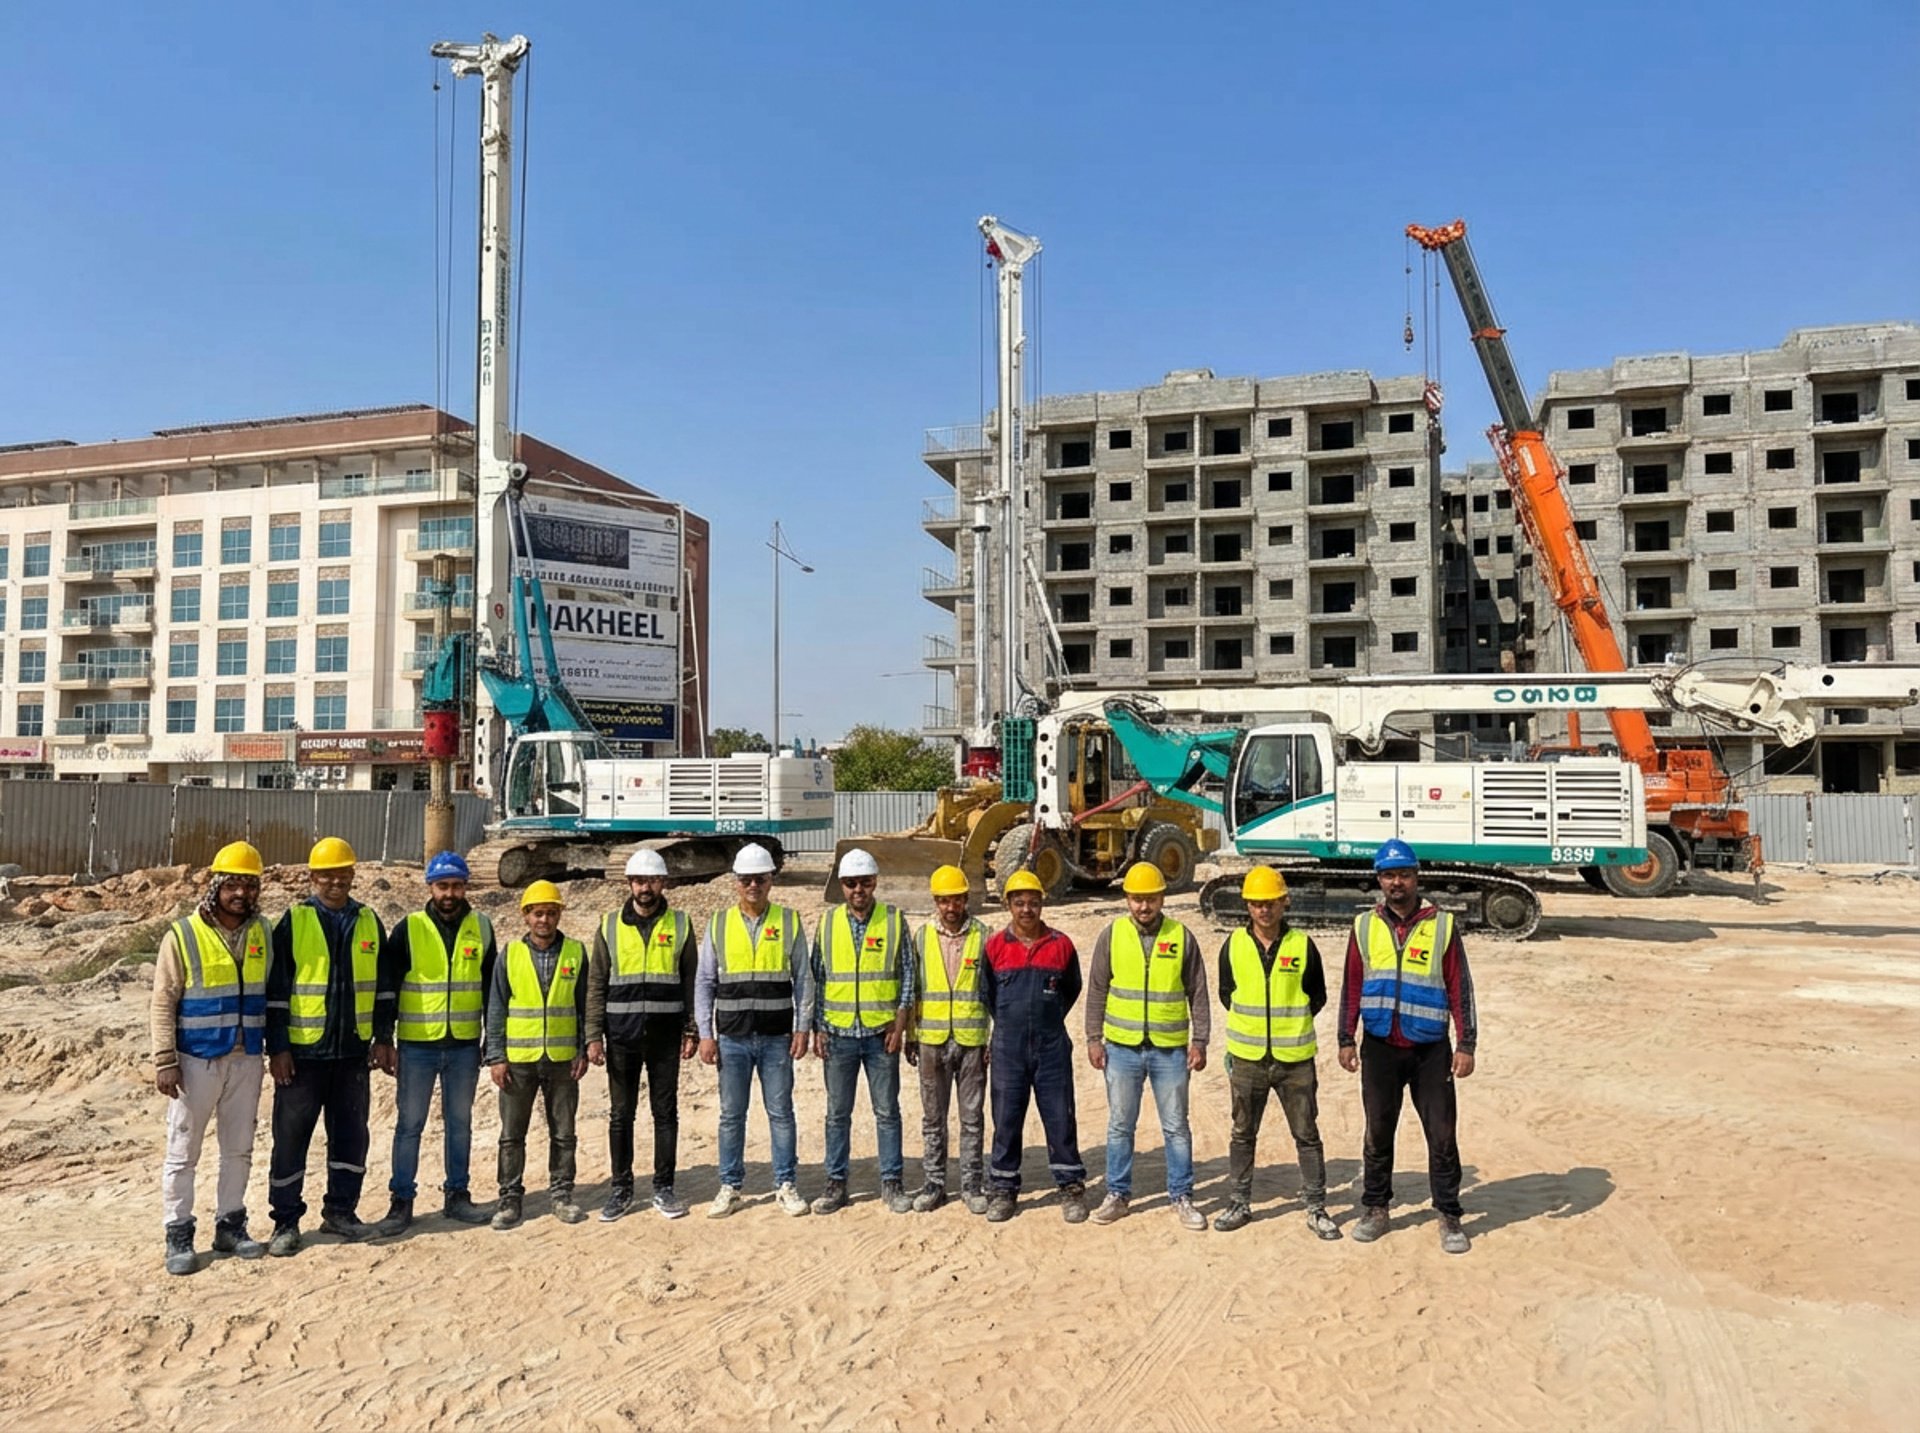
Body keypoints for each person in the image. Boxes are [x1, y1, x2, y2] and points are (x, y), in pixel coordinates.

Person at [1337, 839, 1478, 1255]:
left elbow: (1459, 986)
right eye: (1388, 875)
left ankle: (1449, 1215)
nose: (1396, 882)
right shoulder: (1364, 926)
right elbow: (1352, 984)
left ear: (1417, 877)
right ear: (1379, 880)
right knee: (1378, 1132)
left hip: (1430, 1049)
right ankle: (1376, 1209)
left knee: (1441, 1134)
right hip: (1379, 1046)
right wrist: (1346, 1037)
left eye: (1404, 874)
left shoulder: (1443, 926)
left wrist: (1466, 1042)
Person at [262, 837, 388, 1256]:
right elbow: (277, 991)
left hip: (352, 1052)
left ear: (353, 875)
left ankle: (341, 1211)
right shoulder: (294, 921)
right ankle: (285, 1221)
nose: (337, 882)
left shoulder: (369, 920)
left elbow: (384, 989)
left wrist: (383, 1038)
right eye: (327, 875)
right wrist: (277, 1047)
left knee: (351, 1137)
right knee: (291, 1139)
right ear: (312, 877)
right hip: (302, 1055)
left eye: (344, 874)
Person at [152, 840, 273, 1275]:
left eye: (249, 885)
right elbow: (163, 1000)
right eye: (233, 885)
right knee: (184, 1152)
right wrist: (165, 1059)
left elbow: (271, 993)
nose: (241, 893)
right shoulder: (183, 935)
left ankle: (231, 1225)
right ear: (215, 886)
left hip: (246, 1058)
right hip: (196, 1060)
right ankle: (178, 1233)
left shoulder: (262, 933)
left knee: (238, 1149)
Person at [372, 851, 497, 1236]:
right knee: (410, 1125)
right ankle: (401, 1201)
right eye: (443, 886)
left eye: (457, 886)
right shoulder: (409, 929)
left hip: (463, 1045)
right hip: (417, 1045)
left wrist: (492, 1042)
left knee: (460, 1123)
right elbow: (387, 988)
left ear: (465, 887)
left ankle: (457, 1194)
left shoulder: (482, 927)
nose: (450, 893)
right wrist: (384, 1038)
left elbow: (494, 991)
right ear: (430, 887)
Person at [1083, 862, 1211, 1232]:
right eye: (1137, 899)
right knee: (1120, 1125)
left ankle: (1182, 1195)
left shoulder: (1182, 936)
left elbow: (1198, 992)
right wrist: (1094, 1038)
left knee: (1175, 1127)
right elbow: (1097, 989)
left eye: (1151, 899)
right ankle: (1118, 1194)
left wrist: (1199, 1040)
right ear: (1127, 900)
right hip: (1121, 1048)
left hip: (1170, 1050)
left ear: (1162, 898)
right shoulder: (1112, 936)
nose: (1144, 907)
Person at [1213, 866, 1337, 1238]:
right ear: (1247, 906)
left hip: (1294, 1061)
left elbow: (1317, 995)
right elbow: (1226, 993)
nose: (1263, 910)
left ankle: (1316, 1208)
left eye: (1270, 903)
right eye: (1256, 904)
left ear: (1284, 903)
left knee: (1307, 1135)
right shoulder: (1233, 945)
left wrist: (1287, 1027)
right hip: (1248, 1059)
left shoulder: (1302, 945)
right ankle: (1239, 1203)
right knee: (1242, 1133)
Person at [695, 843, 813, 1219]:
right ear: (736, 882)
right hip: (732, 1038)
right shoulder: (718, 923)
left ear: (770, 881)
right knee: (732, 1115)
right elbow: (704, 982)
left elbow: (804, 980)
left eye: (760, 879)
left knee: (781, 1112)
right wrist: (705, 1033)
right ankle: (730, 1186)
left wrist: (802, 1028)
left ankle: (785, 1184)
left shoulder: (789, 921)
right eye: (746, 879)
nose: (753, 885)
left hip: (777, 1036)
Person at [584, 848, 697, 1221]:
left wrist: (691, 1027)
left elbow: (690, 981)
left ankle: (664, 1188)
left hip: (665, 1037)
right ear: (629, 883)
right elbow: (597, 982)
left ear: (663, 883)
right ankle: (621, 1189)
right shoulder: (609, 925)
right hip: (622, 1036)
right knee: (621, 1114)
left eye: (651, 880)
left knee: (665, 1113)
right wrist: (593, 1035)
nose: (644, 887)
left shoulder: (681, 925)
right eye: (638, 881)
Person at [810, 848, 916, 1215]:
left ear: (875, 883)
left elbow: (907, 975)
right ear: (841, 885)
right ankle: (836, 1184)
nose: (859, 889)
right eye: (851, 883)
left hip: (879, 1034)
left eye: (865, 883)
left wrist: (900, 1022)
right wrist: (818, 1029)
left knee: (887, 1112)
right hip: (838, 1035)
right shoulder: (827, 924)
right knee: (837, 1114)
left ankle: (892, 1183)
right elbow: (818, 979)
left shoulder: (893, 919)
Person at [980, 870, 1088, 1224]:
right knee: (1006, 1120)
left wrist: (1047, 1018)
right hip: (1008, 1048)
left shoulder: (1061, 945)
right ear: (1008, 905)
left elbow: (1071, 989)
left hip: (1051, 1047)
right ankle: (1003, 1189)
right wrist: (1011, 1024)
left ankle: (1070, 1187)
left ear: (1043, 904)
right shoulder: (995, 946)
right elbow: (987, 995)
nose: (1027, 909)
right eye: (1019, 902)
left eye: (1034, 902)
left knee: (1060, 1118)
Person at [485, 880, 590, 1229]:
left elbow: (583, 1006)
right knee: (512, 1134)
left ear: (559, 914)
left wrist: (581, 1049)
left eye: (550, 913)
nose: (544, 919)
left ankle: (561, 1194)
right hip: (519, 1059)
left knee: (564, 1132)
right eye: (537, 913)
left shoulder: (575, 953)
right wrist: (496, 1056)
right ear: (526, 917)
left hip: (562, 1059)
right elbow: (496, 1007)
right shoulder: (510, 955)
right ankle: (509, 1199)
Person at [910, 863, 991, 1215]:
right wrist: (912, 1035)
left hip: (972, 1039)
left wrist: (992, 1037)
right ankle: (935, 1184)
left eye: (956, 900)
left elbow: (994, 993)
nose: (950, 907)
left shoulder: (984, 936)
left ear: (965, 899)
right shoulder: (922, 937)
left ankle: (972, 1184)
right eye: (943, 901)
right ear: (935, 901)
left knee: (972, 1117)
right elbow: (912, 989)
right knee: (933, 1117)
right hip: (931, 1039)